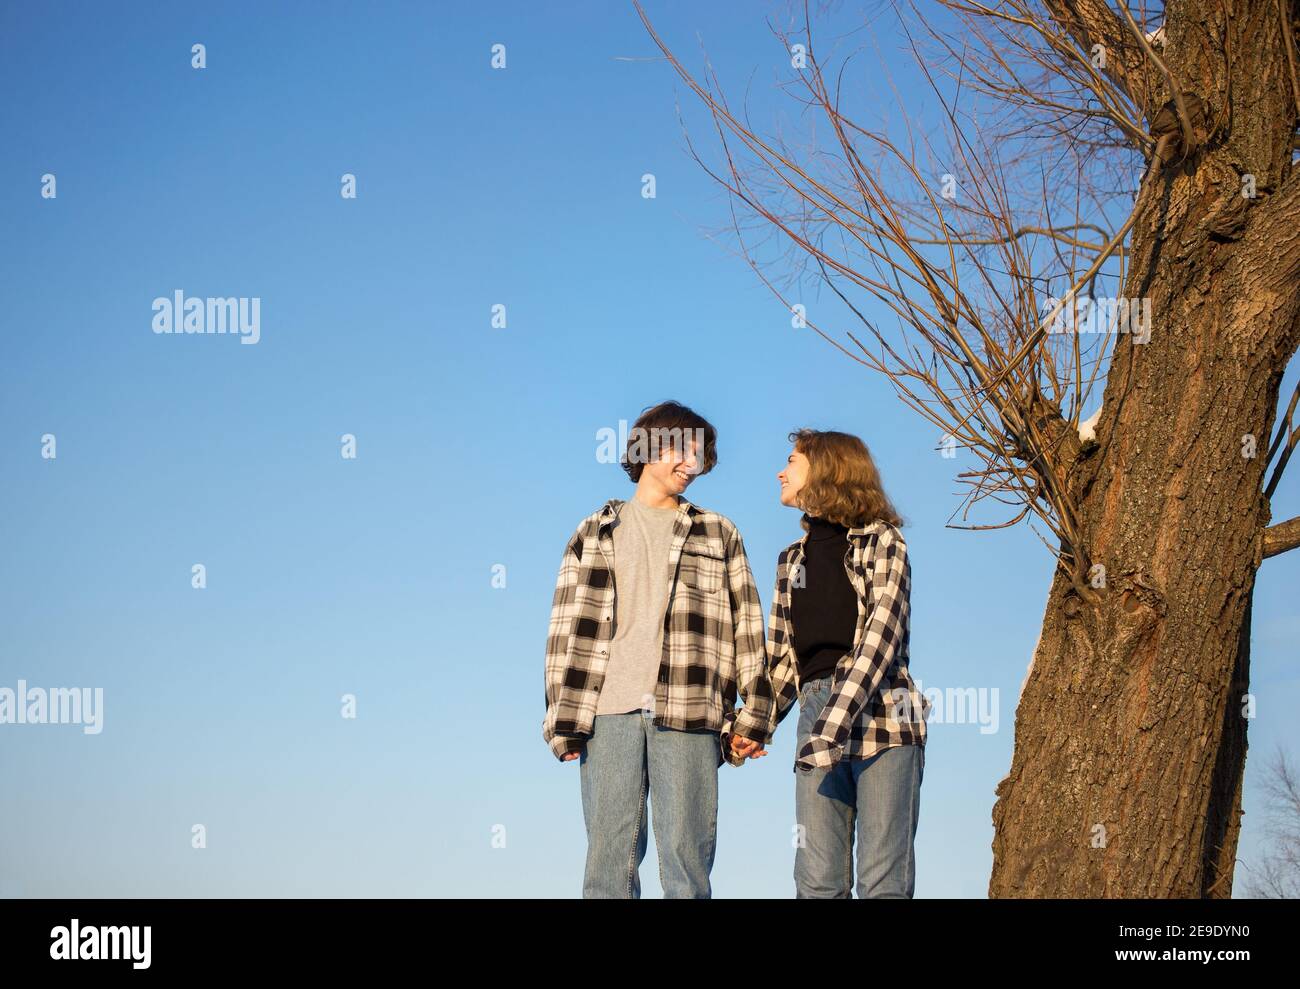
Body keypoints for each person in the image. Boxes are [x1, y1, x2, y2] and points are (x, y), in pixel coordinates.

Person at [543, 400, 773, 898]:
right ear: (649, 445)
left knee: (687, 868)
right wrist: (561, 723)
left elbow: (749, 629)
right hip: (606, 714)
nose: (693, 466)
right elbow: (562, 632)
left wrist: (754, 716)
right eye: (686, 451)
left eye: (701, 458)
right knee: (607, 870)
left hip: (691, 711)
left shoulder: (719, 532)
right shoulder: (593, 531)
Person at [735, 428, 928, 897]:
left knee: (882, 882)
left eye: (792, 461)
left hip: (885, 716)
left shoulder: (883, 541)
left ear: (827, 469)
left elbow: (881, 639)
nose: (781, 472)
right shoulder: (790, 561)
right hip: (815, 711)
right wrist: (752, 726)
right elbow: (783, 660)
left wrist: (832, 726)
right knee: (818, 883)